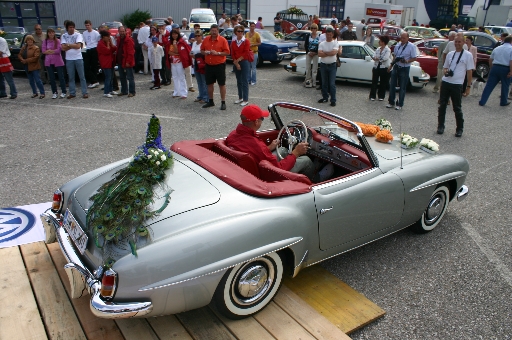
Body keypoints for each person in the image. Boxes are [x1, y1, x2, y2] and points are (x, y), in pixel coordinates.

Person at [225, 104, 316, 181]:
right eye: (262, 119)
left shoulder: (233, 135)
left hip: (249, 171)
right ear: (256, 122)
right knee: (306, 160)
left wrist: (269, 147)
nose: (262, 121)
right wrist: (296, 152)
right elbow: (279, 169)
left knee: (283, 150)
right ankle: (317, 181)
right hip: (268, 176)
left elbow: (254, 152)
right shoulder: (256, 144)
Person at [437, 34, 474, 137]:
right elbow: (445, 67)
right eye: (456, 42)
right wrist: (445, 71)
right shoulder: (450, 54)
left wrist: (468, 87)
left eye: (459, 42)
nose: (457, 44)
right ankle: (440, 126)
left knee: (457, 107)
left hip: (457, 84)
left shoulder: (467, 55)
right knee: (442, 105)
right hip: (446, 82)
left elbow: (469, 72)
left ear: (463, 43)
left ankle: (459, 128)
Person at [201, 24, 230, 110]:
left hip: (219, 65)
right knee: (209, 84)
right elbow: (201, 50)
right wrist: (205, 52)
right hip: (209, 65)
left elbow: (227, 52)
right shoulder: (206, 39)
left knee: (221, 84)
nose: (214, 32)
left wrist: (218, 53)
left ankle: (223, 102)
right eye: (212, 31)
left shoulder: (223, 40)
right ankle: (211, 101)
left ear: (218, 31)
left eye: (215, 31)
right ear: (210, 31)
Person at [478, 36, 512, 107]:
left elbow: (490, 59)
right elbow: (511, 61)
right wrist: (511, 71)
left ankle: (482, 101)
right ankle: (503, 101)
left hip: (495, 67)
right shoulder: (511, 49)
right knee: (505, 86)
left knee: (489, 85)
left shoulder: (497, 48)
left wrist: (491, 67)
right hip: (506, 68)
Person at [386, 32, 417, 110]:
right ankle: (391, 102)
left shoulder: (411, 46)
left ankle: (400, 104)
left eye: (404, 38)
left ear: (407, 38)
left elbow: (414, 58)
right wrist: (391, 66)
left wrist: (407, 61)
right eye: (401, 38)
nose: (402, 39)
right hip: (396, 66)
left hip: (405, 67)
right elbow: (395, 56)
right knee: (392, 84)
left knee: (402, 86)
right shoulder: (398, 45)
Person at [61, 21, 88, 99]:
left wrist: (68, 45)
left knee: (82, 76)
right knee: (71, 77)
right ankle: (72, 93)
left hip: (78, 58)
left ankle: (84, 92)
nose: (72, 29)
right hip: (69, 59)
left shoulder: (78, 35)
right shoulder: (64, 36)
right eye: (70, 27)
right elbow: (63, 48)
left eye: (73, 27)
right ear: (67, 28)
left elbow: (78, 46)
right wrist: (73, 45)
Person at [318, 27, 340, 107]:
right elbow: (319, 54)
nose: (329, 36)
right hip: (323, 65)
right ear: (325, 35)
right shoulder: (322, 44)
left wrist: (325, 52)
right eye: (327, 35)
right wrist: (328, 53)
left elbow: (334, 53)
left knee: (332, 84)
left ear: (332, 35)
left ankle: (333, 100)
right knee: (324, 83)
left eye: (330, 35)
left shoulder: (335, 43)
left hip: (332, 65)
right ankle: (325, 97)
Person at [42, 28, 67, 99]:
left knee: (61, 77)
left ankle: (63, 91)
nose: (51, 34)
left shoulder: (58, 41)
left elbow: (58, 50)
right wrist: (51, 51)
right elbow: (43, 50)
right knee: (52, 78)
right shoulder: (45, 41)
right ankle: (54, 92)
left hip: (57, 60)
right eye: (50, 33)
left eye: (52, 33)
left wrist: (50, 51)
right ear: (48, 34)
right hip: (48, 61)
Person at [168, 28, 192, 99]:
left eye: (175, 34)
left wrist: (175, 45)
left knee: (181, 77)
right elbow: (168, 52)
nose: (174, 35)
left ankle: (183, 93)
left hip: (179, 62)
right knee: (175, 77)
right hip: (173, 62)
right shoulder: (170, 42)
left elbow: (179, 52)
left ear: (178, 34)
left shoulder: (181, 42)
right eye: (173, 34)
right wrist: (175, 52)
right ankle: (176, 92)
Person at [231, 25, 251, 106]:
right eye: (238, 31)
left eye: (241, 31)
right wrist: (236, 63)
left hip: (244, 62)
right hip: (236, 62)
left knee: (245, 81)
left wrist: (237, 61)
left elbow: (245, 53)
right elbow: (232, 53)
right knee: (238, 81)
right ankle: (240, 97)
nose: (240, 33)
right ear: (235, 32)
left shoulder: (246, 41)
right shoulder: (233, 42)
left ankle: (246, 99)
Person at [116, 26, 136, 97]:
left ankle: (132, 92)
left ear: (125, 31)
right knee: (122, 77)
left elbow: (131, 53)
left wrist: (128, 62)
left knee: (130, 77)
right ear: (118, 32)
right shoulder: (118, 39)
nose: (122, 33)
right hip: (120, 61)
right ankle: (124, 91)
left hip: (127, 62)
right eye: (120, 31)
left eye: (123, 31)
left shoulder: (129, 40)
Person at [369, 36, 391, 101]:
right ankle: (372, 95)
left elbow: (385, 58)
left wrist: (377, 58)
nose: (379, 42)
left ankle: (381, 96)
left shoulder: (387, 49)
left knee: (383, 82)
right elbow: (373, 55)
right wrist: (375, 58)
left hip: (383, 67)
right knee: (374, 81)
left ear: (383, 42)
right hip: (376, 66)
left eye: (380, 41)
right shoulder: (378, 48)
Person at [96, 30, 117, 98]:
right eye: (107, 37)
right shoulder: (100, 44)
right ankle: (106, 92)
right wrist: (108, 44)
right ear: (103, 37)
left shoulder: (107, 42)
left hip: (110, 62)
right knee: (108, 77)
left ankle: (110, 90)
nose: (109, 38)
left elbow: (114, 49)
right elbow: (107, 51)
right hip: (105, 63)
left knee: (111, 77)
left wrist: (111, 43)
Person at [191, 29, 208, 103]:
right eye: (196, 36)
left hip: (202, 64)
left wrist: (196, 56)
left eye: (199, 36)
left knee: (204, 81)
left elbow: (205, 54)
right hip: (196, 63)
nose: (197, 37)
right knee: (199, 81)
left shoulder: (204, 43)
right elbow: (192, 51)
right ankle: (200, 95)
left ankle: (206, 97)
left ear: (202, 36)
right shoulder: (194, 43)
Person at [83, 20, 101, 88]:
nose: (87, 26)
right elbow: (85, 42)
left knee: (94, 66)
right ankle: (94, 80)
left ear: (91, 25)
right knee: (86, 66)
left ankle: (94, 81)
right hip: (88, 49)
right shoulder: (84, 33)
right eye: (86, 25)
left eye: (88, 25)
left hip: (94, 49)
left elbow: (98, 41)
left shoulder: (95, 33)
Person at [304, 23, 320, 88]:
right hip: (309, 53)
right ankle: (308, 80)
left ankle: (314, 82)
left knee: (315, 69)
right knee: (308, 68)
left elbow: (320, 45)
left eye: (315, 28)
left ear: (317, 29)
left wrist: (316, 52)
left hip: (316, 54)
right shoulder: (308, 36)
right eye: (312, 28)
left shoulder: (319, 36)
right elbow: (306, 45)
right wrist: (308, 52)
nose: (313, 29)